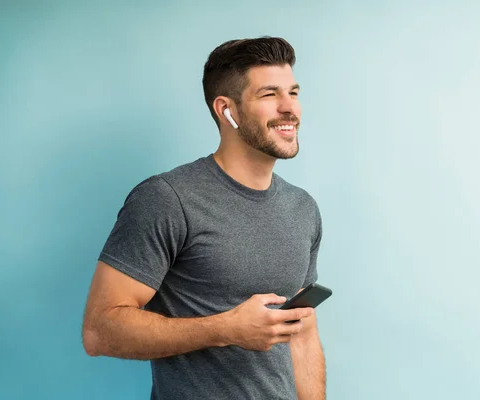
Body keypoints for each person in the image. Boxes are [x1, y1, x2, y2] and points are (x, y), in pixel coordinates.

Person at [81, 37, 326, 400]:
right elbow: (99, 330)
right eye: (269, 95)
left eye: (293, 92)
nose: (290, 108)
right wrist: (226, 328)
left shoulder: (303, 208)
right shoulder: (167, 198)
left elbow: (302, 333)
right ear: (226, 110)